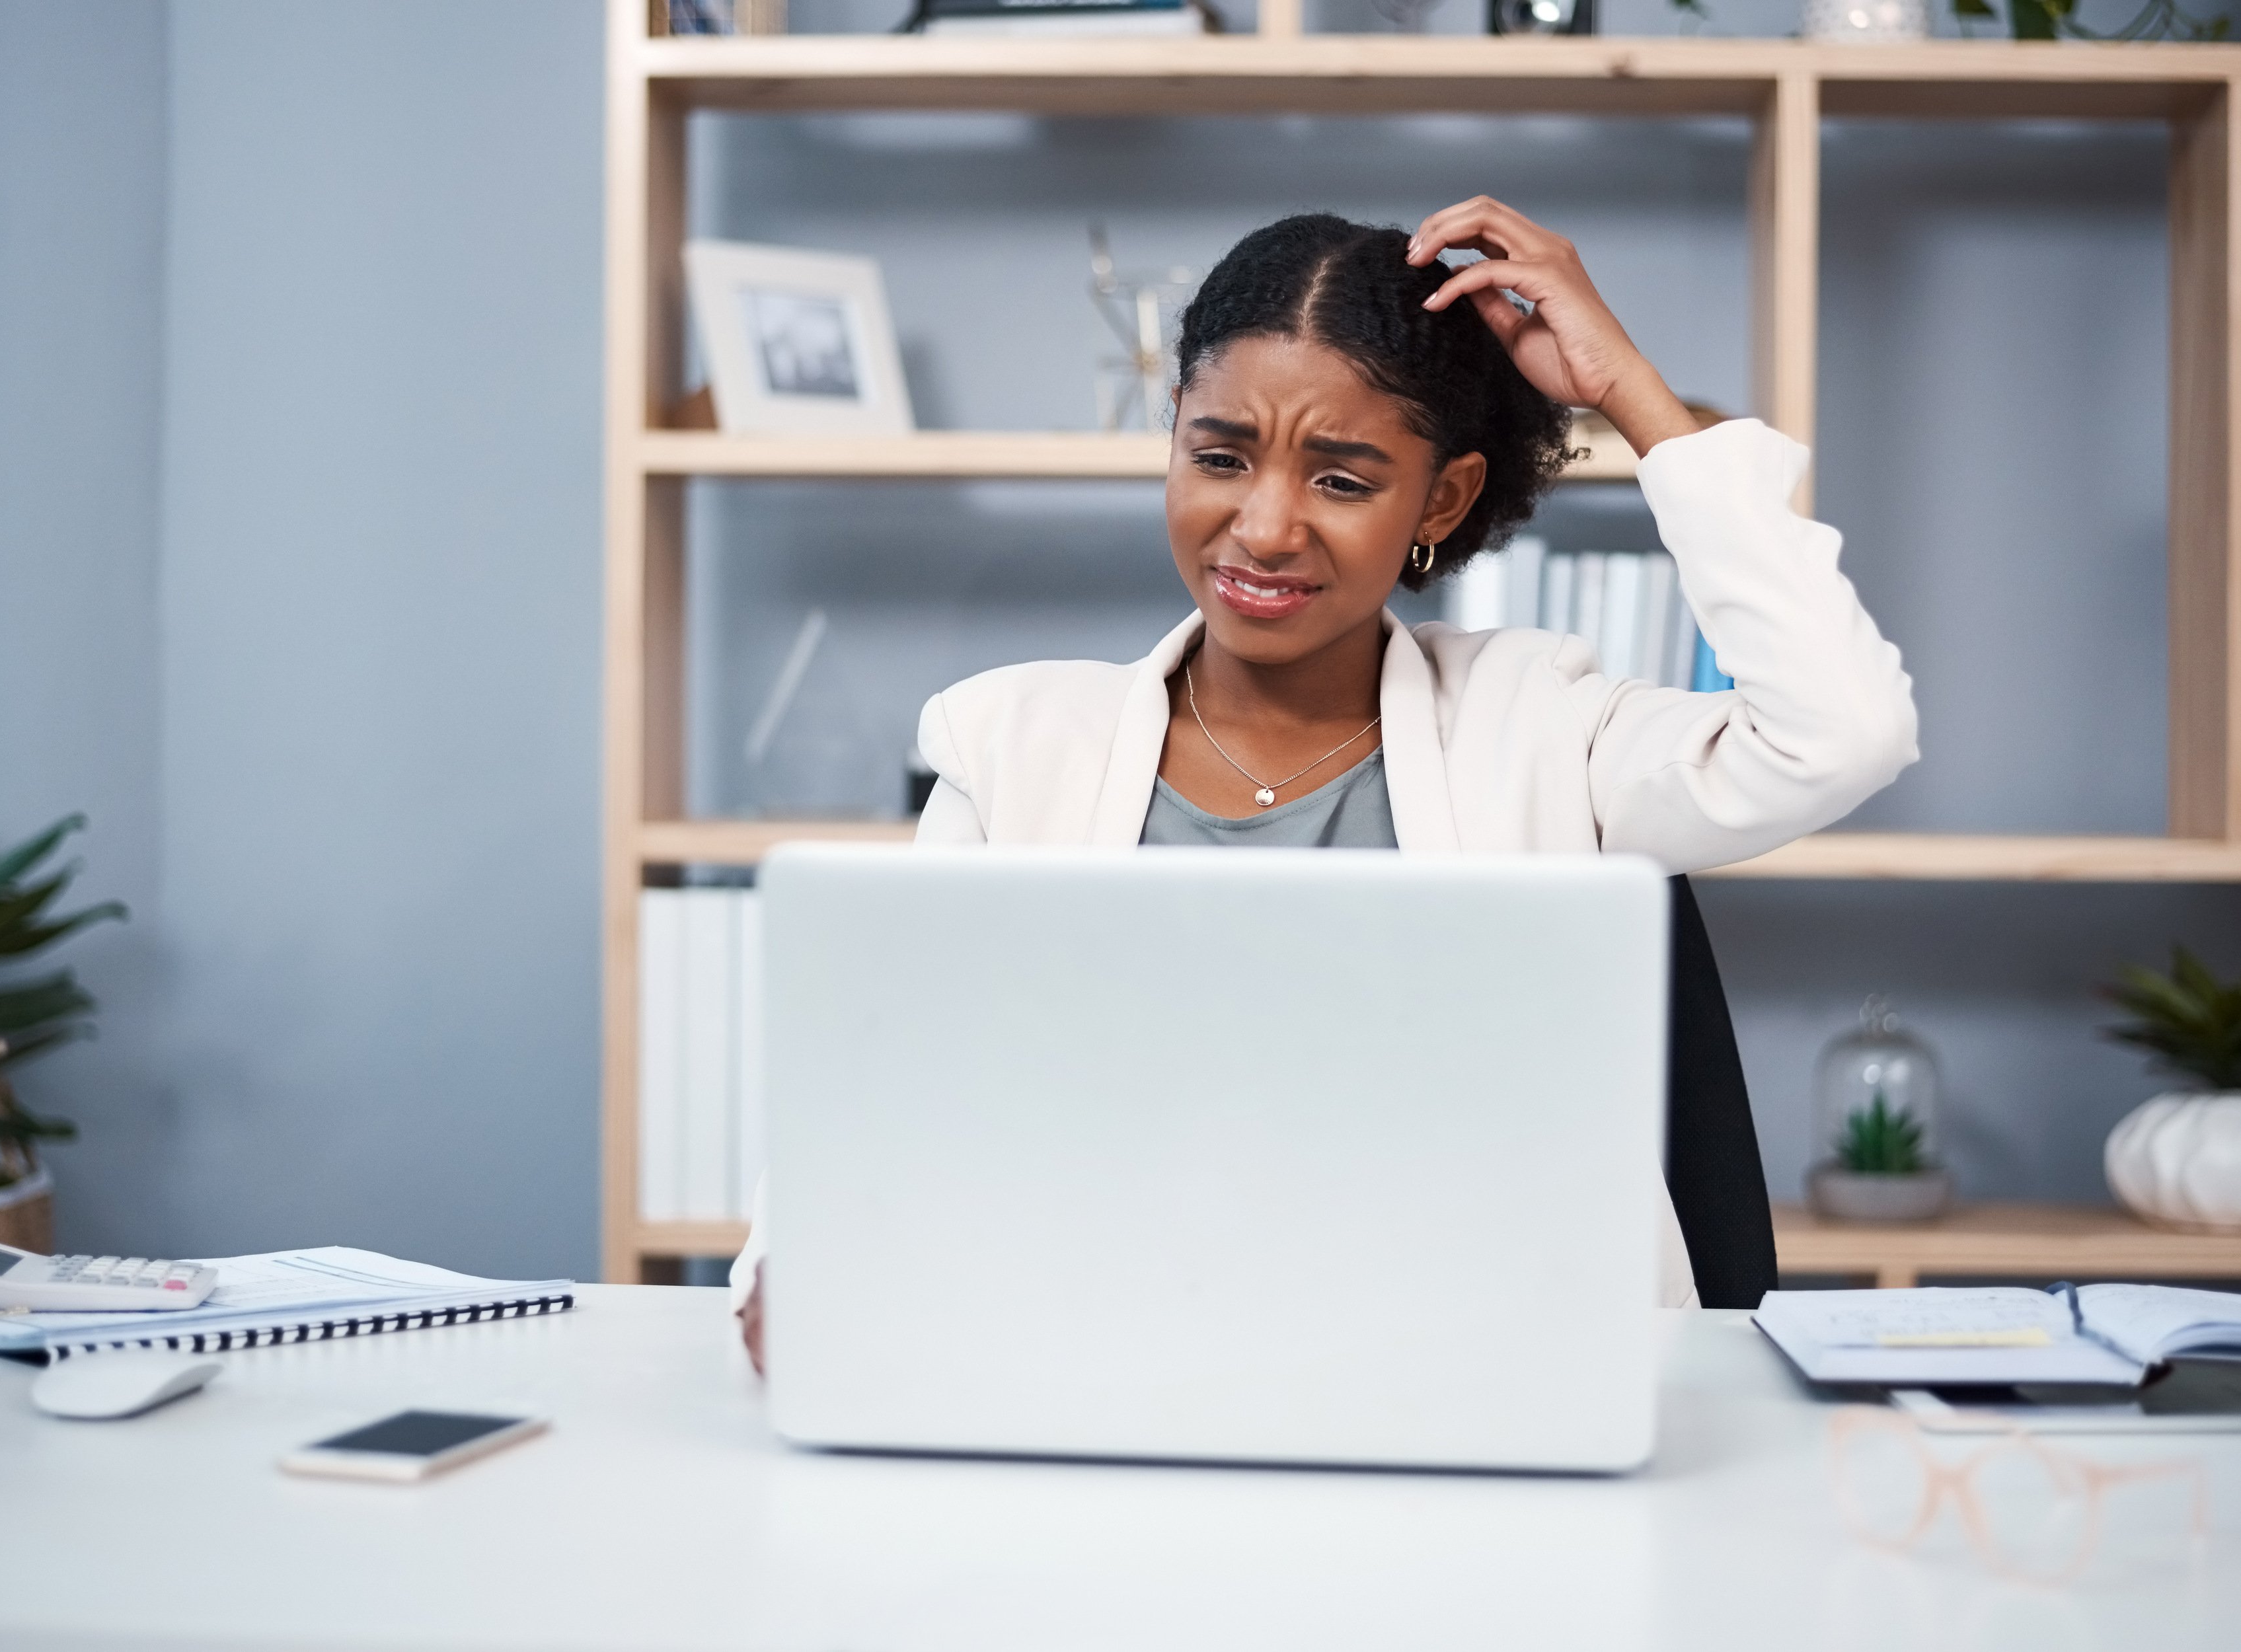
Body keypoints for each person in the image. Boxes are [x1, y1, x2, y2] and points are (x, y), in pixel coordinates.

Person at [730, 200, 1918, 1376]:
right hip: (1106, 1351)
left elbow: (1841, 733)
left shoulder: (1545, 727)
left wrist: (1630, 395)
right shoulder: (1015, 740)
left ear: (1438, 502)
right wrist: (803, 1265)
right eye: (1217, 456)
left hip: (1472, 1363)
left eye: (1342, 482)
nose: (1262, 526)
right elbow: (883, 1078)